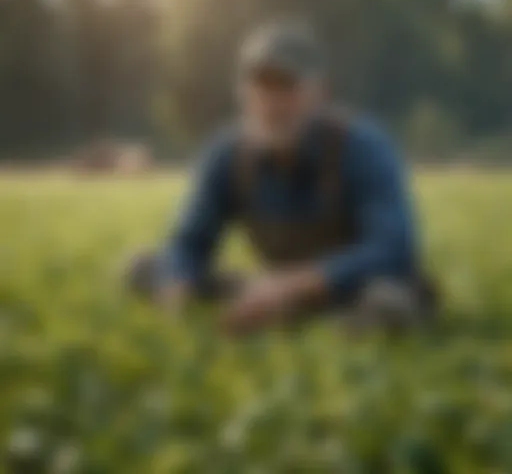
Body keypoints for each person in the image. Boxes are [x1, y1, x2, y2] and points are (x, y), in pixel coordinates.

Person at [128, 22, 437, 334]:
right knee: (144, 268)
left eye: (286, 87)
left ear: (320, 93)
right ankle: (277, 305)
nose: (271, 103)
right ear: (243, 93)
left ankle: (319, 320)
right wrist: (178, 286)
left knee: (388, 302)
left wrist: (295, 286)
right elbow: (189, 242)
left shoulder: (362, 145)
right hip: (272, 283)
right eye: (261, 86)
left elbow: (393, 246)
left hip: (352, 288)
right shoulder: (226, 154)